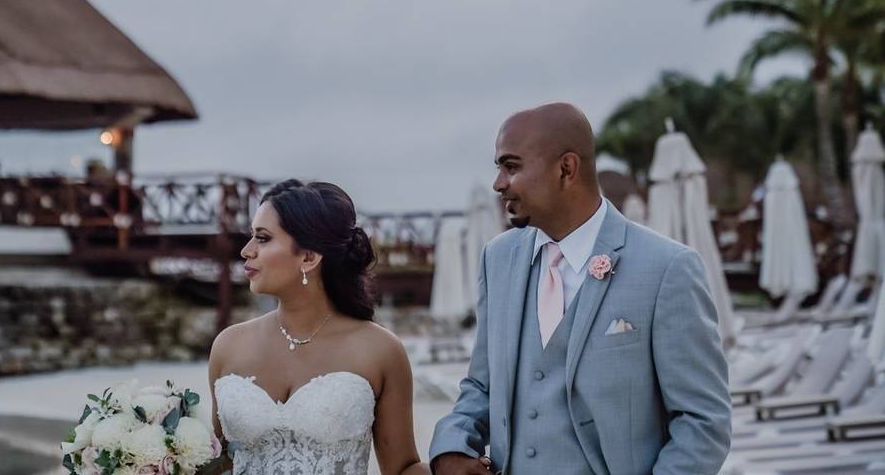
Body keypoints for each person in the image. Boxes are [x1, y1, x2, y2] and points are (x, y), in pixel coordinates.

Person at [429, 103, 731, 474]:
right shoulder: (498, 259)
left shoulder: (667, 268)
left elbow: (703, 422)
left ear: (566, 169)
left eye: (512, 166)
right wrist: (452, 446)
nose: (499, 183)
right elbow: (481, 384)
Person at [207, 179, 431, 475]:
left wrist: (453, 465)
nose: (246, 251)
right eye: (252, 237)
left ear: (309, 257)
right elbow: (218, 464)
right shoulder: (228, 346)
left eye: (262, 238)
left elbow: (403, 469)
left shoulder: (379, 350)